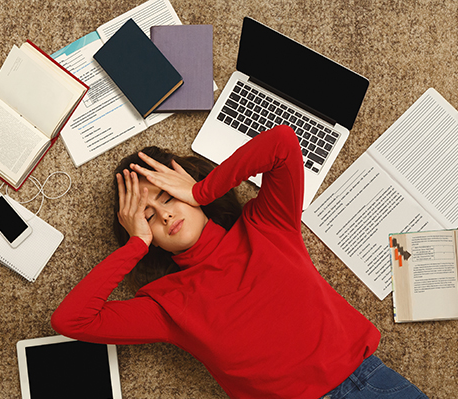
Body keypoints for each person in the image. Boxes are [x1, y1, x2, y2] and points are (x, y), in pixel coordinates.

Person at [51, 125, 428, 399]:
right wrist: (135, 244)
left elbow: (281, 143)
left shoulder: (265, 223)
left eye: (167, 197)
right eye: (147, 215)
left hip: (374, 381)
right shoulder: (166, 304)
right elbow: (72, 320)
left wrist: (201, 189)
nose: (164, 216)